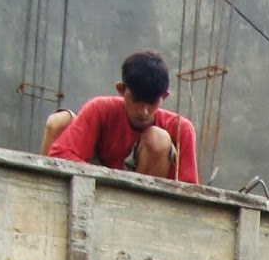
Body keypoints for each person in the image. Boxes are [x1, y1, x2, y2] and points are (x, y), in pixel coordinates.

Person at [44, 51, 199, 184]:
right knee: (58, 122)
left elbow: (190, 191)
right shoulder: (100, 108)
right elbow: (59, 156)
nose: (143, 111)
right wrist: (112, 178)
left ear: (164, 97)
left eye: (151, 103)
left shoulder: (181, 128)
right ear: (121, 90)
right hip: (98, 187)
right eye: (136, 100)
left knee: (158, 139)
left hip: (143, 206)